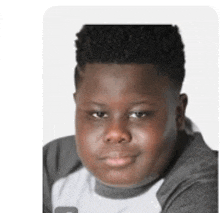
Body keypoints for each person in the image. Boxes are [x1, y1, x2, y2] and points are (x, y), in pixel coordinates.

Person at [43, 25, 217, 213]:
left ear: (178, 113)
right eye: (98, 114)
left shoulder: (204, 186)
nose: (116, 133)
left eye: (138, 114)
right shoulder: (55, 163)